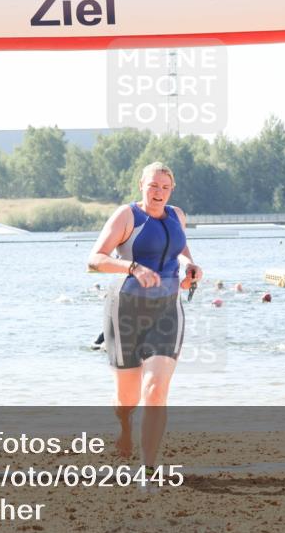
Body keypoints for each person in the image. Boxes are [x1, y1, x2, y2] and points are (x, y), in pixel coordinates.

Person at [87, 162, 202, 470]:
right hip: (126, 310)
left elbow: (181, 250)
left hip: (167, 309)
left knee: (155, 389)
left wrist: (191, 268)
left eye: (165, 188)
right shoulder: (127, 216)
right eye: (153, 186)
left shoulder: (177, 215)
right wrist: (133, 268)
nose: (158, 193)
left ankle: (147, 467)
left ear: (172, 190)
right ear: (141, 185)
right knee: (127, 399)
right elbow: (94, 260)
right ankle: (124, 427)